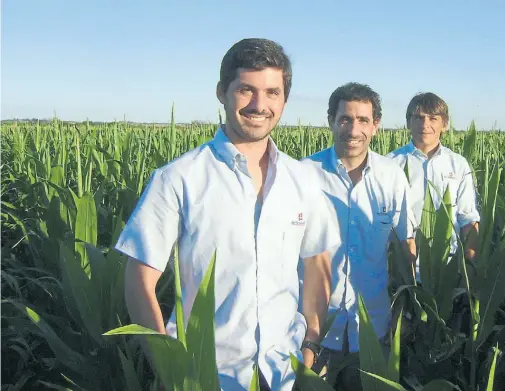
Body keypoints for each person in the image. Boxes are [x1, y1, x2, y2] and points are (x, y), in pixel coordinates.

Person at [115, 38, 340, 391]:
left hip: (284, 372)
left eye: (272, 92)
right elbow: (139, 279)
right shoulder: (179, 179)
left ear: (284, 99)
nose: (259, 105)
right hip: (207, 376)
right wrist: (170, 371)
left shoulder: (304, 180)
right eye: (246, 90)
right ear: (222, 92)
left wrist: (310, 344)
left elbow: (316, 263)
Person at [300, 82, 417, 390]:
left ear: (376, 125)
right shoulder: (303, 175)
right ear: (331, 121)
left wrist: (407, 310)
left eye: (363, 120)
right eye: (345, 119)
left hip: (373, 326)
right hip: (316, 331)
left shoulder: (391, 175)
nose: (353, 130)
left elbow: (407, 244)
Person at [387, 92, 480, 282]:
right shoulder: (390, 164)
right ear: (408, 123)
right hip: (401, 270)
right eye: (418, 118)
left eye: (433, 118)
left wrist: (468, 268)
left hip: (448, 269)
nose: (425, 125)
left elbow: (468, 218)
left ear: (444, 125)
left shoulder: (458, 164)